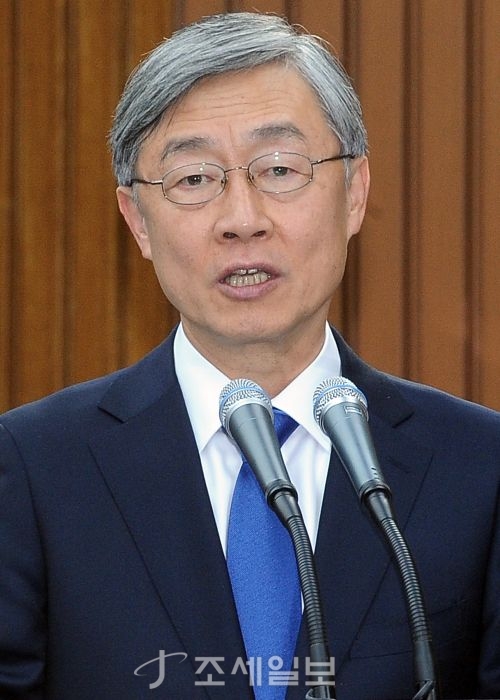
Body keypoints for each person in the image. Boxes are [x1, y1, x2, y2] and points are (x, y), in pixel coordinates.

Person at [0, 11, 499, 700]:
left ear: (355, 193)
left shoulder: (478, 466)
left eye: (280, 169)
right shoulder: (33, 468)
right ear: (137, 220)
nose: (242, 219)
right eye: (194, 179)